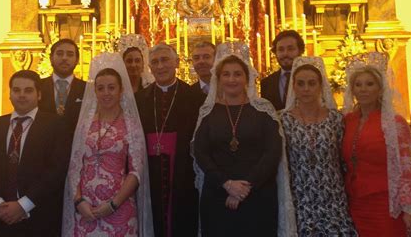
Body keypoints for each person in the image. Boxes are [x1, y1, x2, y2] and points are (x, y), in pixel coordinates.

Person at [192, 42, 297, 237]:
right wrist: (227, 184)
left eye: (237, 74)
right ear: (219, 78)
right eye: (226, 74)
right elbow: (201, 153)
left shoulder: (263, 110)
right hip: (217, 196)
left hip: (258, 196)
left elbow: (272, 153)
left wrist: (245, 187)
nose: (232, 79)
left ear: (247, 78)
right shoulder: (208, 112)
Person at [62, 52, 153, 236]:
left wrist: (113, 204)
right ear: (94, 91)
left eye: (111, 88)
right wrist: (79, 201)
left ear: (121, 90)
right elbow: (74, 167)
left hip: (120, 208)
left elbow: (136, 170)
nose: (106, 93)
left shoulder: (131, 124)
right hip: (85, 210)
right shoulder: (85, 123)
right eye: (101, 88)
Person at [0, 70, 71, 236]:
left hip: (38, 220)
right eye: (16, 90)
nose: (22, 95)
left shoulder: (56, 126)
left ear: (39, 94)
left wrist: (23, 205)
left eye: (28, 90)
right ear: (9, 94)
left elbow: (57, 171)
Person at [342, 52, 411, 236]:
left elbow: (406, 167)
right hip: (354, 203)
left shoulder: (394, 123)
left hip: (386, 203)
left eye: (369, 84)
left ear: (380, 88)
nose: (363, 89)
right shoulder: (347, 121)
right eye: (358, 85)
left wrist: (409, 209)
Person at [282, 56, 357, 235]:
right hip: (300, 198)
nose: (306, 89)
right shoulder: (283, 120)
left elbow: (344, 159)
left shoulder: (336, 119)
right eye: (300, 84)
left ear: (320, 86)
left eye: (311, 83)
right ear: (293, 87)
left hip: (333, 197)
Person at [135, 43, 199, 237]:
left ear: (177, 62)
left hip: (183, 172)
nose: (160, 66)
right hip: (149, 171)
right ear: (149, 67)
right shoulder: (139, 99)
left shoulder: (195, 97)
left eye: (165, 60)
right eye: (155, 62)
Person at [39, 38, 86, 139]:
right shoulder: (38, 86)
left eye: (70, 54)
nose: (64, 58)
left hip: (74, 147)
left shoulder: (86, 89)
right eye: (60, 53)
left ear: (77, 60)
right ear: (51, 58)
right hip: (43, 145)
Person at [261, 30, 305, 110]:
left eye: (290, 49)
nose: (285, 54)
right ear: (275, 53)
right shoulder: (266, 83)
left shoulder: (311, 80)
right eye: (281, 50)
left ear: (300, 51)